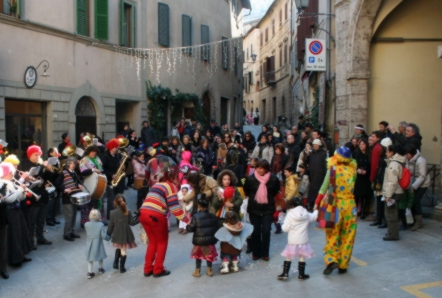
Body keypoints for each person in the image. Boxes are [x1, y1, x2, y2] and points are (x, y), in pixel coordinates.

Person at [314, 146, 357, 275]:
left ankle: (332, 259)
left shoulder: (332, 169)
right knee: (348, 235)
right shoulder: (353, 170)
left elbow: (324, 187)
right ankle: (343, 265)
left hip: (335, 204)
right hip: (350, 205)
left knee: (332, 233)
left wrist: (316, 203)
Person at [139, 166, 189, 278]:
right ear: (173, 177)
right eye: (177, 176)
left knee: (152, 241)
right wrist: (187, 220)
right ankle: (158, 269)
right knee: (162, 242)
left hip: (143, 213)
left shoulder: (157, 184)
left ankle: (147, 269)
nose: (179, 179)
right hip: (156, 215)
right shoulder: (170, 186)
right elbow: (175, 208)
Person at [243, 159, 280, 261]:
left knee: (266, 230)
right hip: (254, 209)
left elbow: (275, 191)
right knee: (256, 231)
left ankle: (265, 253)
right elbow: (247, 190)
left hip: (268, 209)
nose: (260, 170)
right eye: (258, 167)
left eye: (262, 168)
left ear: (267, 169)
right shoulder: (250, 179)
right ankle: (256, 252)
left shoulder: (273, 179)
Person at [19, 145, 52, 248]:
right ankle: (30, 241)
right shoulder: (24, 165)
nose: (37, 157)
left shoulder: (41, 165)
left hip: (42, 195)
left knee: (41, 220)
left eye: (39, 155)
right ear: (30, 155)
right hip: (32, 197)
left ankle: (40, 237)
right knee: (31, 221)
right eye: (35, 155)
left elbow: (48, 179)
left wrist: (48, 170)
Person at [277, 197, 318, 281]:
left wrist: (282, 225)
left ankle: (285, 273)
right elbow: (313, 217)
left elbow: (285, 228)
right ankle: (301, 274)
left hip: (292, 240)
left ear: (291, 205)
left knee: (288, 256)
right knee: (302, 256)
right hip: (303, 240)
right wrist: (316, 210)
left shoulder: (290, 214)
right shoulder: (305, 213)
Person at [1, 162, 31, 272]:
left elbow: (18, 198)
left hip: (16, 210)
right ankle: (15, 259)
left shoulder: (10, 182)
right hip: (10, 212)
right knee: (14, 236)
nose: (13, 173)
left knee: (20, 234)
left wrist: (23, 191)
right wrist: (19, 190)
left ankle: (21, 255)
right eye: (11, 172)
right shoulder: (3, 183)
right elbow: (8, 199)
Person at [186, 197, 219, 277]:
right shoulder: (213, 216)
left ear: (199, 206)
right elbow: (216, 227)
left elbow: (191, 228)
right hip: (210, 241)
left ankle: (197, 271)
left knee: (198, 257)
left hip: (199, 241)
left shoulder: (196, 216)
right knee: (209, 256)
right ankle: (210, 270)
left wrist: (188, 226)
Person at [56, 156, 85, 241]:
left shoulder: (74, 173)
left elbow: (74, 184)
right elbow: (57, 183)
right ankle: (66, 234)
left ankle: (71, 231)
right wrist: (64, 189)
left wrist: (78, 185)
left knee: (74, 214)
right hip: (67, 198)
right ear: (68, 164)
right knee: (69, 215)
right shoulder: (63, 173)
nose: (72, 165)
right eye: (70, 163)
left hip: (74, 196)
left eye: (73, 163)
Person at [108, 194, 138, 273]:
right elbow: (132, 223)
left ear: (115, 202)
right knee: (123, 250)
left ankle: (115, 262)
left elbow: (111, 225)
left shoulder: (112, 213)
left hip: (117, 233)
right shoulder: (127, 212)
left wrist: (108, 234)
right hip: (125, 234)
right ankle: (122, 267)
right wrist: (139, 219)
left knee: (119, 247)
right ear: (125, 202)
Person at [382, 144, 407, 241]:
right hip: (397, 191)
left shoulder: (394, 164)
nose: (386, 153)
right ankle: (392, 232)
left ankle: (393, 234)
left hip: (394, 192)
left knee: (390, 214)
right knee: (392, 213)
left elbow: (392, 181)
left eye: (387, 151)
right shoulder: (398, 162)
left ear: (392, 152)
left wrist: (388, 195)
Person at [405, 145, 430, 231]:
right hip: (413, 182)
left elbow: (422, 176)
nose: (406, 156)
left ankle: (418, 221)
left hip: (423, 183)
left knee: (416, 200)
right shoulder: (408, 160)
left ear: (411, 154)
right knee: (411, 200)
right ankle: (411, 220)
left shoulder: (421, 161)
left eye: (407, 154)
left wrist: (413, 186)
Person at [79, 145, 106, 225]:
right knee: (88, 203)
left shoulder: (97, 159)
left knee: (98, 200)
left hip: (98, 183)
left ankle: (98, 220)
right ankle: (86, 222)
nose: (94, 153)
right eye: (92, 152)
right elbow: (83, 172)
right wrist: (93, 169)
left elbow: (101, 169)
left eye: (95, 152)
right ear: (88, 152)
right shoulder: (84, 160)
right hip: (88, 183)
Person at [370, 137, 391, 228]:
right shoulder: (383, 157)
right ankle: (378, 219)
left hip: (384, 181)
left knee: (383, 203)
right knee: (378, 201)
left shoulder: (388, 158)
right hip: (379, 179)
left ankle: (384, 220)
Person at [101, 139, 125, 220]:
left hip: (118, 179)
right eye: (116, 147)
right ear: (111, 148)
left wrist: (122, 167)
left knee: (119, 197)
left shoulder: (118, 155)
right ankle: (110, 216)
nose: (117, 149)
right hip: (110, 180)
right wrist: (111, 175)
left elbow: (120, 164)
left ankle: (118, 213)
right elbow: (103, 169)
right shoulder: (105, 156)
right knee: (111, 198)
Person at [85, 209, 111, 279]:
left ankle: (89, 272)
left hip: (90, 243)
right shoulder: (101, 225)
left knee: (90, 258)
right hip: (98, 242)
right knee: (100, 255)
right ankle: (100, 269)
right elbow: (103, 236)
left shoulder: (86, 224)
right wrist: (109, 237)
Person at [306, 139, 327, 211]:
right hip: (312, 174)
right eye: (314, 145)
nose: (315, 146)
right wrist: (307, 155)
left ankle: (316, 204)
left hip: (320, 174)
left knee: (318, 189)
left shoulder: (323, 153)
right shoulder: (311, 153)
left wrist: (325, 174)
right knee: (312, 190)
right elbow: (306, 162)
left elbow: (325, 165)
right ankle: (310, 203)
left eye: (316, 145)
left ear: (319, 145)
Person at [354, 139, 371, 219]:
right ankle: (356, 211)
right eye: (360, 144)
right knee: (357, 195)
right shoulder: (356, 154)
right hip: (358, 177)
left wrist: (366, 171)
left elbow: (371, 165)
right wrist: (357, 169)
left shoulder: (369, 154)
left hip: (366, 177)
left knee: (365, 196)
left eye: (363, 144)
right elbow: (353, 164)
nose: (361, 146)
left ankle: (364, 211)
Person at [45, 147, 62, 226]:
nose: (57, 153)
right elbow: (49, 174)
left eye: (57, 152)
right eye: (55, 152)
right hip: (51, 183)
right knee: (51, 202)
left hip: (57, 183)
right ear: (50, 153)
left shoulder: (58, 160)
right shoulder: (49, 161)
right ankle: (49, 219)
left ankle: (53, 218)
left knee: (56, 202)